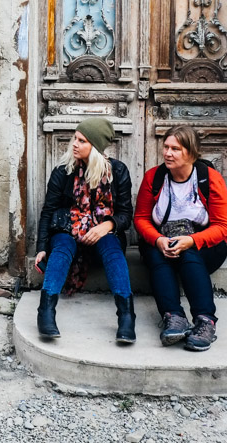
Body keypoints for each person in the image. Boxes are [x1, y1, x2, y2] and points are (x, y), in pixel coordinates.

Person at [34, 118, 136, 344]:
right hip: (68, 229)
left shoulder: (118, 172)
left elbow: (125, 214)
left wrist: (106, 226)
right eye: (75, 138)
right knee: (61, 245)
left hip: (102, 234)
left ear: (96, 146)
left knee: (111, 247)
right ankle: (46, 312)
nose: (75, 144)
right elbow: (49, 211)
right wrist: (41, 247)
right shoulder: (63, 171)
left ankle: (127, 316)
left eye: (82, 140)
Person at [133, 125, 227, 351]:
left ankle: (206, 321)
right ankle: (174, 317)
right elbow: (140, 218)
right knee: (156, 255)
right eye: (166, 147)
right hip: (163, 241)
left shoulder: (209, 179)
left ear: (191, 152)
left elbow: (222, 227)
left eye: (175, 149)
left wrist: (191, 240)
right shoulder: (154, 178)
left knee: (189, 254)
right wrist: (158, 240)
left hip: (204, 246)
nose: (167, 153)